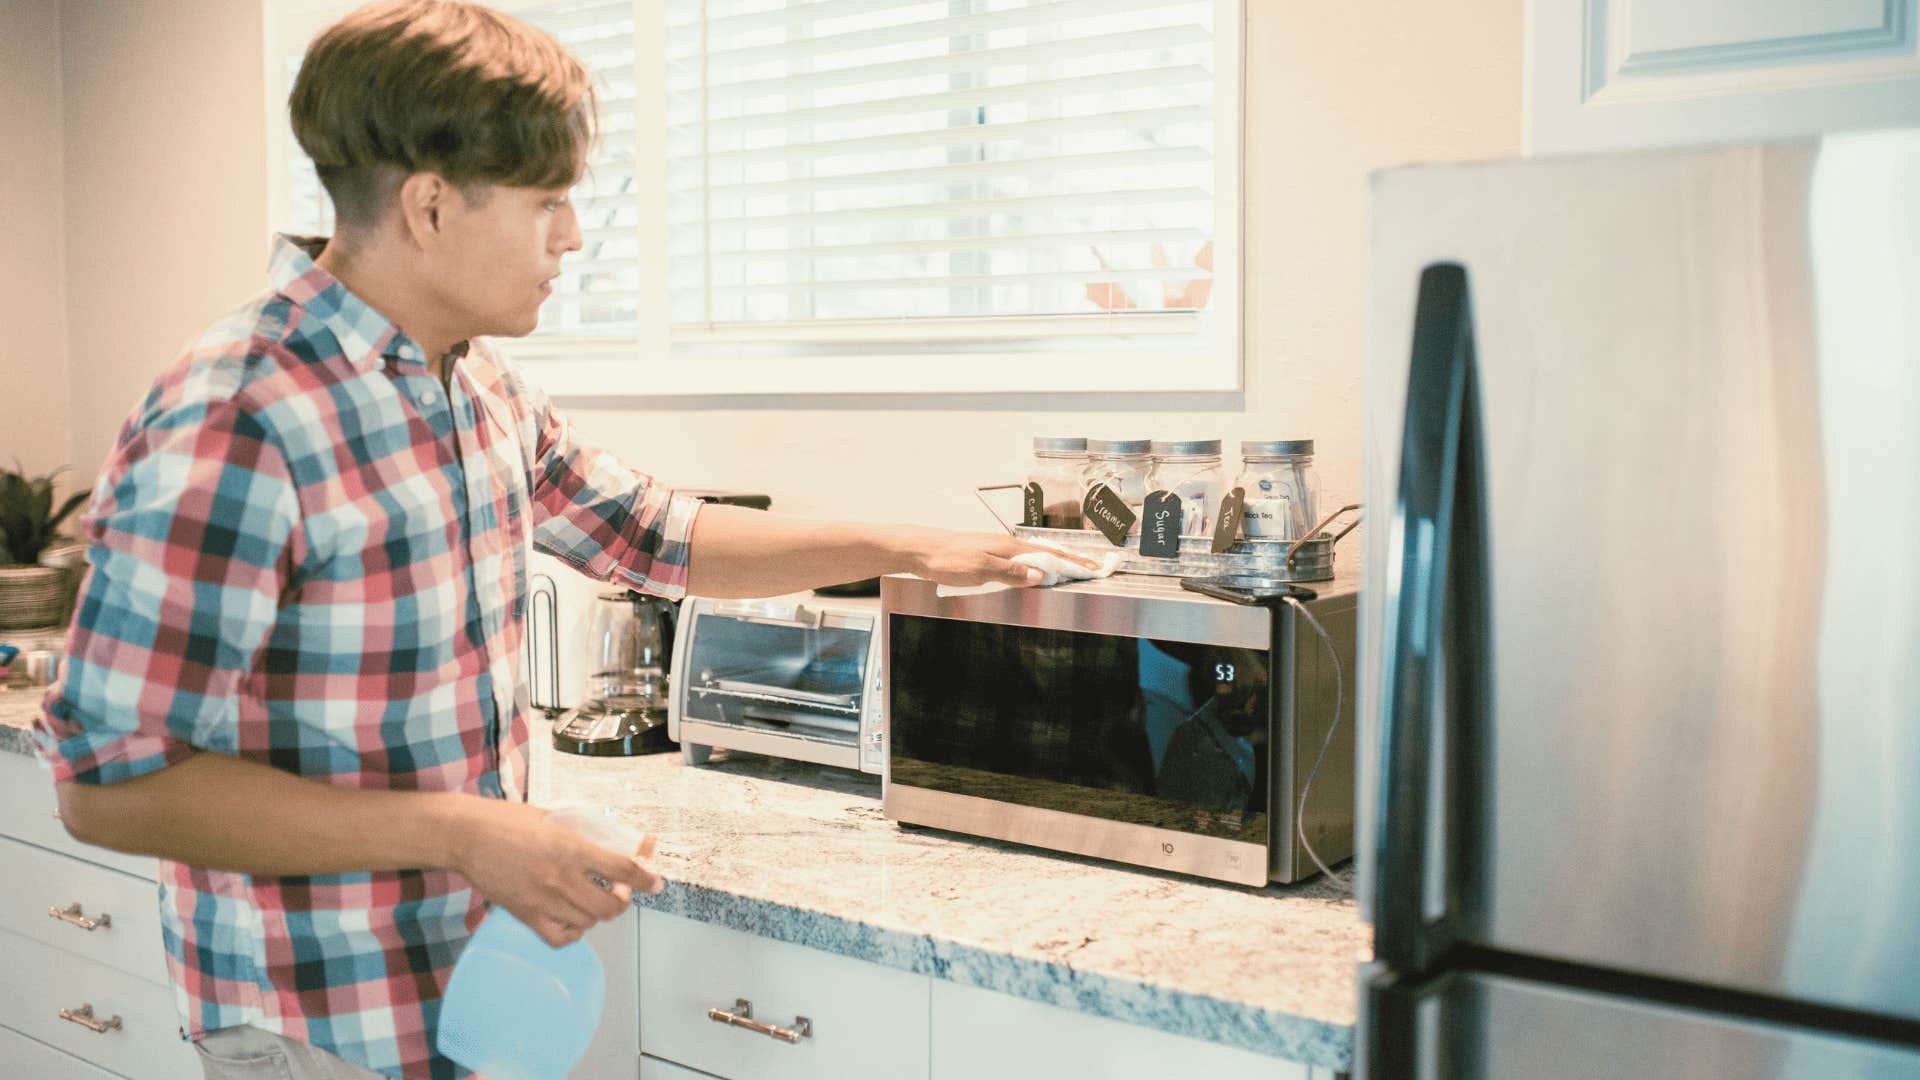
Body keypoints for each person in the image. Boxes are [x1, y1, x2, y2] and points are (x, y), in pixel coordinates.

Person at [33, 3, 1078, 1077]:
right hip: (314, 1020)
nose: (573, 237)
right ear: (430, 206)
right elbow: (111, 783)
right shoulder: (241, 413)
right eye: (547, 202)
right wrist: (467, 834)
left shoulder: (475, 384)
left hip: (464, 987)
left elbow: (656, 535)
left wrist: (923, 548)